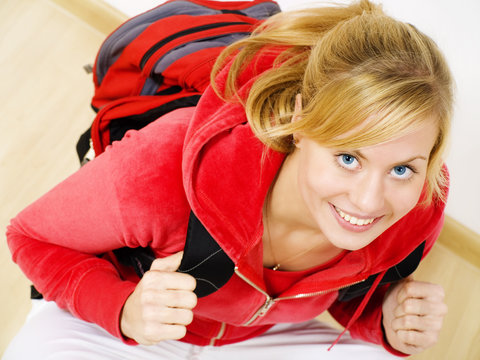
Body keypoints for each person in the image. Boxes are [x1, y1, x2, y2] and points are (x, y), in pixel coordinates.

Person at [4, 0, 453, 359]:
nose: (369, 200)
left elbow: (345, 288)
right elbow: (30, 237)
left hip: (257, 335)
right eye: (348, 158)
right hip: (128, 313)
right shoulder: (159, 166)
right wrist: (122, 309)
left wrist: (382, 316)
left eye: (401, 169)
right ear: (300, 123)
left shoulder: (417, 207)